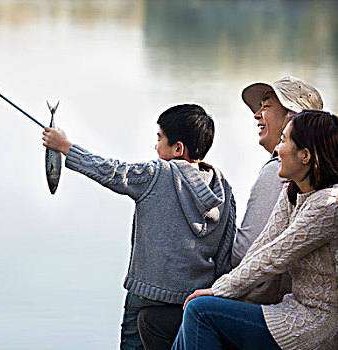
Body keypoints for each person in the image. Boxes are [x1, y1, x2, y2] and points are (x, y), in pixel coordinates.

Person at [137, 76, 324, 350]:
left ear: (293, 118)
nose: (257, 115)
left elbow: (246, 253)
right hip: (279, 298)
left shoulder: (277, 174)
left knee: (154, 319)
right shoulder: (314, 174)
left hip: (269, 304)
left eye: (267, 106)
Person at [42, 104, 236, 350]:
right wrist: (216, 296)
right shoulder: (224, 190)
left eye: (159, 139)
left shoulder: (157, 173)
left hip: (148, 295)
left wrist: (64, 147)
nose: (155, 147)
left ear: (178, 149)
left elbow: (110, 171)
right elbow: (225, 252)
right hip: (196, 299)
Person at [172, 110, 338, 350]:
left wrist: (218, 290)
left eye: (283, 141)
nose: (277, 150)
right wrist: (225, 291)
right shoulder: (293, 192)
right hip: (291, 310)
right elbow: (261, 247)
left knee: (201, 311)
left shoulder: (327, 205)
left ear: (305, 155)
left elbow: (274, 257)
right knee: (199, 309)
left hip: (317, 325)